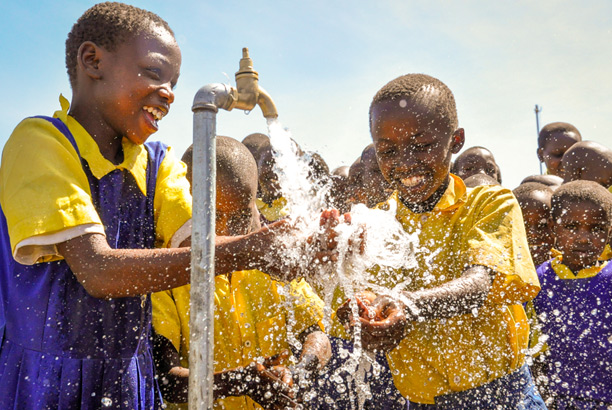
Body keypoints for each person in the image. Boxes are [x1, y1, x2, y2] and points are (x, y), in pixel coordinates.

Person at [0, 3, 335, 408]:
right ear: (93, 61)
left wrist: (298, 248)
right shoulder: (41, 142)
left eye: (174, 81)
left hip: (131, 382)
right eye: (155, 73)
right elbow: (97, 271)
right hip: (49, 382)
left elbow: (198, 247)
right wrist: (251, 251)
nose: (170, 93)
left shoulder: (157, 162)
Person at [338, 73, 545, 409]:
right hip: (418, 401)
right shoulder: (373, 222)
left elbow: (480, 282)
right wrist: (363, 311)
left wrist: (405, 305)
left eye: (421, 146)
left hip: (501, 397)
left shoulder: (490, 204)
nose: (405, 163)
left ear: (456, 140)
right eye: (388, 150)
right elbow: (355, 293)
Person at [153, 137, 331, 409]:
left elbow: (317, 333)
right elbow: (167, 381)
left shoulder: (271, 262)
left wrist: (299, 372)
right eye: (212, 216)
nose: (225, 229)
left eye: (239, 216)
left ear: (254, 205)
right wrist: (241, 381)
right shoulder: (167, 274)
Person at [530, 180, 612, 409]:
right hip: (555, 400)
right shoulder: (539, 279)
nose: (584, 238)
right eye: (572, 227)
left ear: (609, 232)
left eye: (596, 229)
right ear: (554, 229)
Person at [513, 183, 555, 267]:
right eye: (523, 225)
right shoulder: (501, 270)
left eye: (543, 225)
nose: (533, 233)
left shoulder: (569, 266)